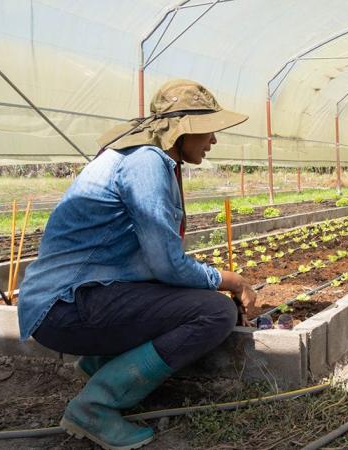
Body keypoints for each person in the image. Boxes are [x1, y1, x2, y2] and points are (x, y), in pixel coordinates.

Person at [17, 79, 256, 450]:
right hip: (65, 306)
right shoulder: (145, 163)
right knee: (213, 312)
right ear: (180, 132)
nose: (213, 141)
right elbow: (167, 266)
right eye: (207, 130)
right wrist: (232, 281)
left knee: (183, 299)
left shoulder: (143, 156)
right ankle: (96, 406)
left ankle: (100, 367)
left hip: (71, 298)